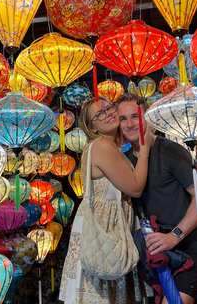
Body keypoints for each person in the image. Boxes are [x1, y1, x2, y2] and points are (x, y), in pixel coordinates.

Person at [116, 93, 197, 304]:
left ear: (147, 119)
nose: (130, 124)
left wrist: (174, 236)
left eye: (135, 116)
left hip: (188, 244)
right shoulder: (124, 162)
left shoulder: (170, 150)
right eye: (123, 118)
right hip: (155, 248)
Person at [59, 97, 153, 304]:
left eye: (109, 108)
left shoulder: (109, 146)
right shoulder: (102, 145)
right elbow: (135, 188)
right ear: (92, 125)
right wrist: (144, 150)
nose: (109, 113)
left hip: (107, 225)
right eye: (99, 114)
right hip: (104, 229)